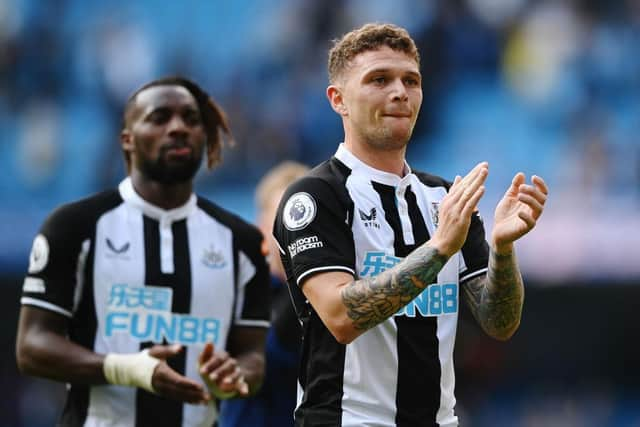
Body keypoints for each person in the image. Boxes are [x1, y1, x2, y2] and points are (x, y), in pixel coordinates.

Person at [273, 23, 549, 427]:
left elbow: (499, 322)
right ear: (339, 100)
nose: (400, 92)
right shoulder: (316, 196)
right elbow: (340, 317)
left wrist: (504, 250)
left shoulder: (443, 199)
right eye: (379, 80)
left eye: (411, 80)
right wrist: (438, 249)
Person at [16, 76, 271, 427]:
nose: (178, 127)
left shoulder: (241, 242)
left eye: (191, 119)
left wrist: (232, 375)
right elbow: (32, 346)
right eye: (160, 117)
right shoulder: (74, 227)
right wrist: (125, 368)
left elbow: (253, 356)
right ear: (127, 139)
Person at [220, 161, 309, 427]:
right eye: (285, 214)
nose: (297, 226)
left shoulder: (337, 289)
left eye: (305, 215)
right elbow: (274, 353)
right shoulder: (236, 293)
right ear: (260, 226)